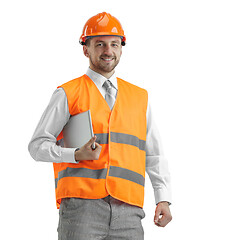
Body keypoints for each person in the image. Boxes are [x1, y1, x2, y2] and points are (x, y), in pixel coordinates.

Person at [28, 12, 172, 240]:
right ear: (86, 49)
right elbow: (37, 146)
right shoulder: (68, 93)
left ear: (121, 48)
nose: (108, 51)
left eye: (114, 44)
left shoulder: (139, 97)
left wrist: (162, 197)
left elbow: (154, 154)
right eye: (100, 44)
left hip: (130, 210)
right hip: (81, 208)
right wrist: (74, 154)